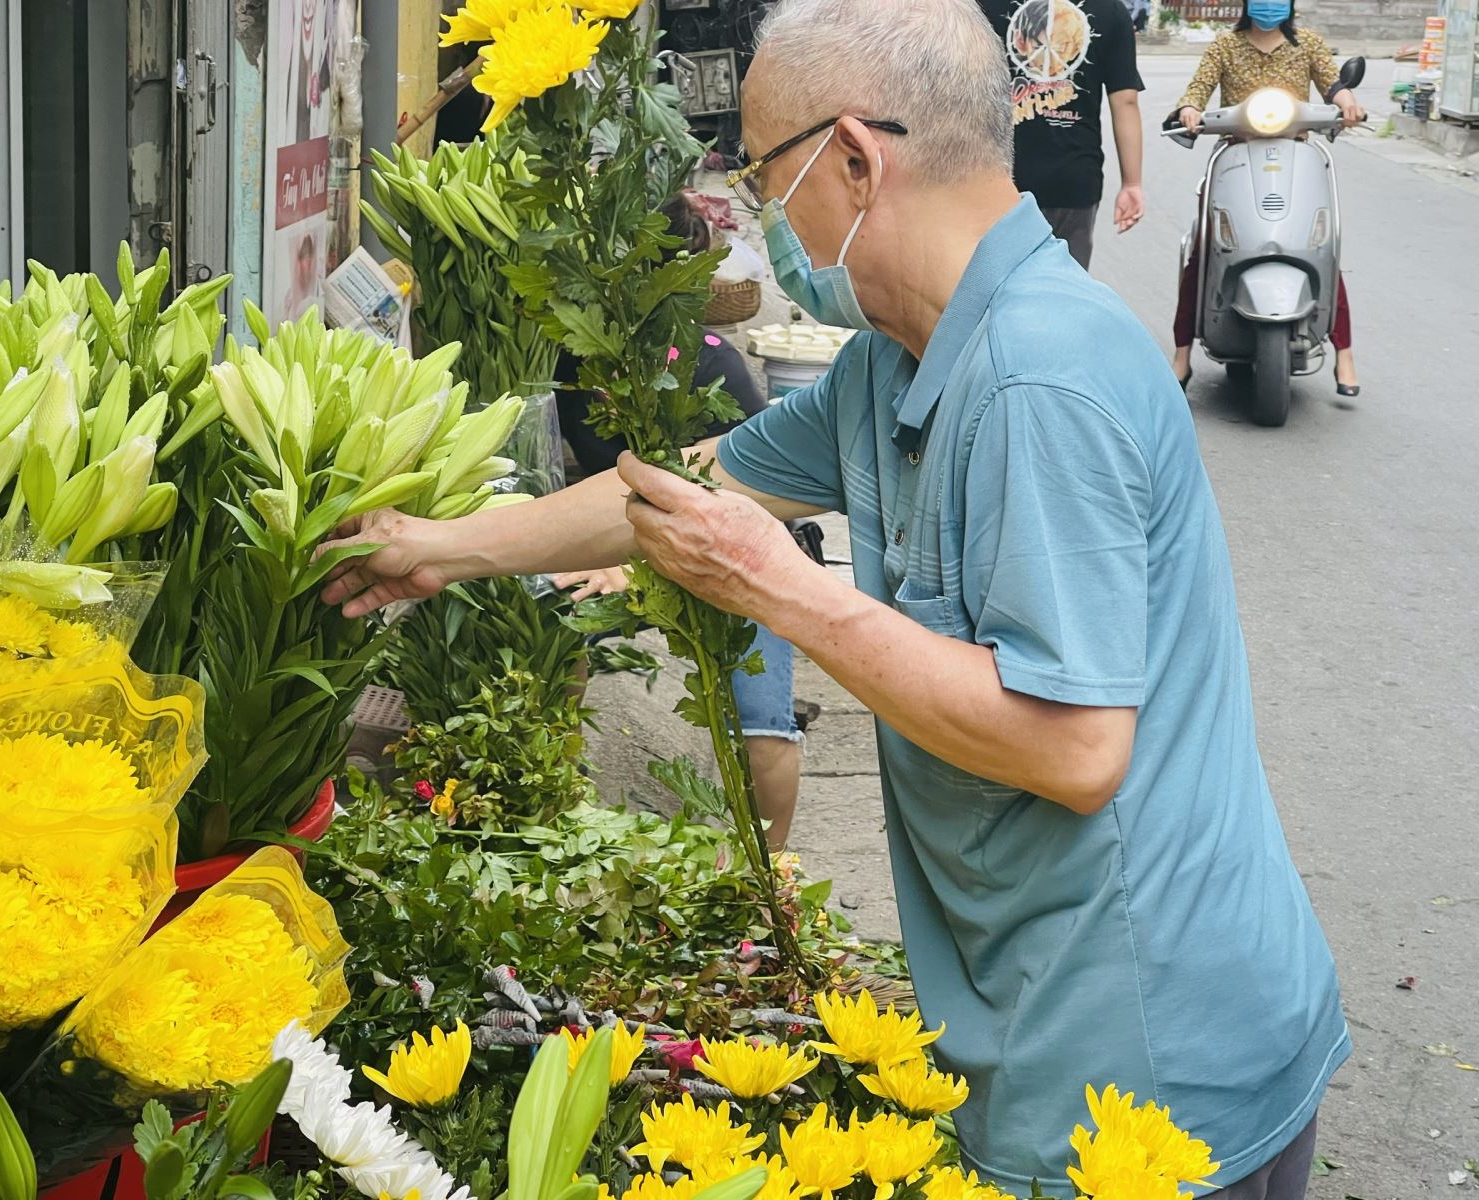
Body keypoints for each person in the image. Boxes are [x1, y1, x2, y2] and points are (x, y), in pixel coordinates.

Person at [318, 0, 1349, 1193]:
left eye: (763, 174)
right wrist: (443, 546)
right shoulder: (897, 361)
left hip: (1145, 1069)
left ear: (855, 160)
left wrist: (786, 595)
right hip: (1037, 1007)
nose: (758, 220)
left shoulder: (1036, 380)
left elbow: (1074, 751)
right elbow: (683, 494)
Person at [553, 199, 809, 852]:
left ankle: (772, 874)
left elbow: (763, 501)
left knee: (761, 727)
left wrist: (633, 555)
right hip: (627, 541)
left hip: (742, 549)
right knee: (560, 666)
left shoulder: (710, 363)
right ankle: (564, 831)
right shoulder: (574, 363)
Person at [1170, 0, 1366, 394]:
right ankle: (1181, 353)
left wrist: (1348, 105)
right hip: (1236, 156)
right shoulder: (1225, 46)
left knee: (1319, 244)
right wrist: (1190, 110)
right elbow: (1198, 90)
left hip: (1295, 159)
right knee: (1206, 248)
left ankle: (1344, 353)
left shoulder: (1307, 44)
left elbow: (1334, 85)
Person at [978, 0, 1145, 270]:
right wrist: (1132, 183)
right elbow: (1125, 101)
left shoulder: (983, 5)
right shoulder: (1110, 10)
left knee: (992, 290)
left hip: (994, 177)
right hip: (1072, 181)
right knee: (1064, 292)